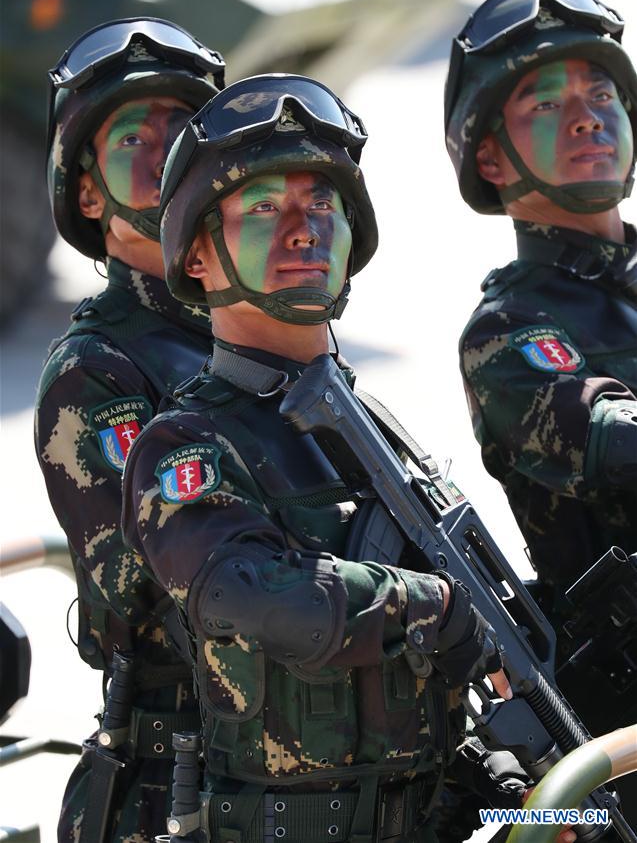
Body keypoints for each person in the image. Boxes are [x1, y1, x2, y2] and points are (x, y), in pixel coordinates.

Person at [121, 74, 520, 843]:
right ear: (197, 254)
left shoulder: (371, 425)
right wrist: (431, 606)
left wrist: (517, 798)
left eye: (323, 204)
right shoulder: (187, 442)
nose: (304, 229)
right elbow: (259, 595)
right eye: (265, 208)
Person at [35, 18, 225, 842]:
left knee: (562, 810)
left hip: (340, 767)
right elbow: (157, 587)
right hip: (177, 790)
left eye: (181, 128)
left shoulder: (268, 331)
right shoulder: (97, 372)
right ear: (87, 193)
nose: (163, 151)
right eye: (131, 136)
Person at [445, 0, 637, 631]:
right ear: (490, 157)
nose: (588, 117)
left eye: (601, 93)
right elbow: (616, 444)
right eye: (547, 103)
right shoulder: (507, 331)